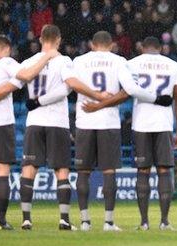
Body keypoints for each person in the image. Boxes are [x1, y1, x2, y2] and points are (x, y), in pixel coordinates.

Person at [71, 31, 172, 232]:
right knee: (109, 172)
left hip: (84, 120)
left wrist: (94, 100)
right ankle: (108, 222)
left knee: (83, 172)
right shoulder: (119, 61)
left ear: (92, 44)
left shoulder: (79, 61)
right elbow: (130, 90)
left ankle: (84, 221)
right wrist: (156, 98)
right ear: (111, 45)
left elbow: (72, 86)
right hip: (108, 122)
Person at [14, 25, 109, 231]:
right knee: (62, 170)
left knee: (29, 168)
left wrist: (37, 100)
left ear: (40, 39)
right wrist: (98, 95)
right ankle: (64, 219)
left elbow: (19, 79)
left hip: (34, 121)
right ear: (58, 40)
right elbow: (70, 86)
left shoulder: (30, 62)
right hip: (57, 122)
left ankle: (26, 219)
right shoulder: (64, 61)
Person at [0, 35, 47, 230]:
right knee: (2, 172)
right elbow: (26, 75)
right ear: (6, 49)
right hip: (3, 123)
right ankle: (1, 221)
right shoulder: (7, 62)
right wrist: (44, 59)